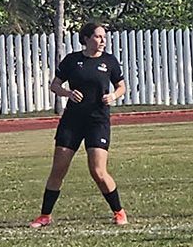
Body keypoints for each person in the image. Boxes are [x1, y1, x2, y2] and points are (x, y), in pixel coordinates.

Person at [30, 22, 128, 228]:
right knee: (58, 169)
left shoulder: (109, 61)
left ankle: (119, 212)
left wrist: (113, 96)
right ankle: (44, 216)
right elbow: (55, 85)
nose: (103, 41)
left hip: (97, 121)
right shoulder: (72, 60)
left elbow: (121, 86)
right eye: (99, 36)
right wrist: (68, 93)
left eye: (104, 37)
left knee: (98, 171)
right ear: (86, 38)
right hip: (72, 121)